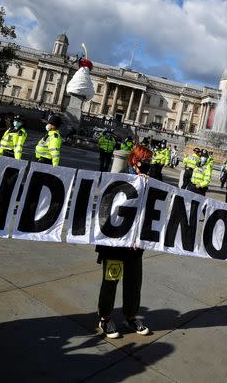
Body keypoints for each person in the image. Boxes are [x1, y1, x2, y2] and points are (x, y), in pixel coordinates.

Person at [95, 144, 153, 339]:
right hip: (115, 243)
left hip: (135, 244)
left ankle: (131, 316)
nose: (148, 165)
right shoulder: (119, 178)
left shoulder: (149, 181)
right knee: (111, 280)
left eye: (150, 162)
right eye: (145, 162)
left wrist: (146, 186)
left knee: (134, 282)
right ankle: (105, 318)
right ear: (134, 160)